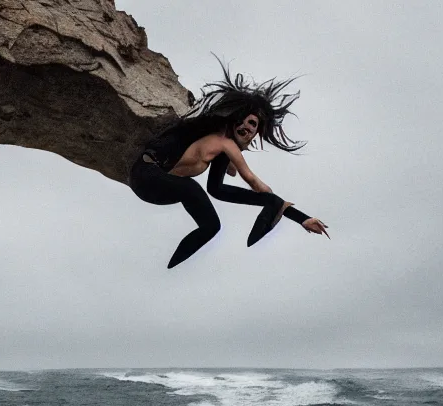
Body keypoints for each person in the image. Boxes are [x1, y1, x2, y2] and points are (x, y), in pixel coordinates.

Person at [129, 57, 330, 269]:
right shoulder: (223, 142)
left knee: (211, 226)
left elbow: (219, 190)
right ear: (234, 121)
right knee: (192, 188)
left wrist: (300, 219)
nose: (249, 128)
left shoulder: (220, 151)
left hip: (155, 191)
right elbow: (254, 182)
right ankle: (272, 210)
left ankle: (168, 268)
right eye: (246, 121)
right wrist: (295, 214)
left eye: (254, 126)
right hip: (146, 174)